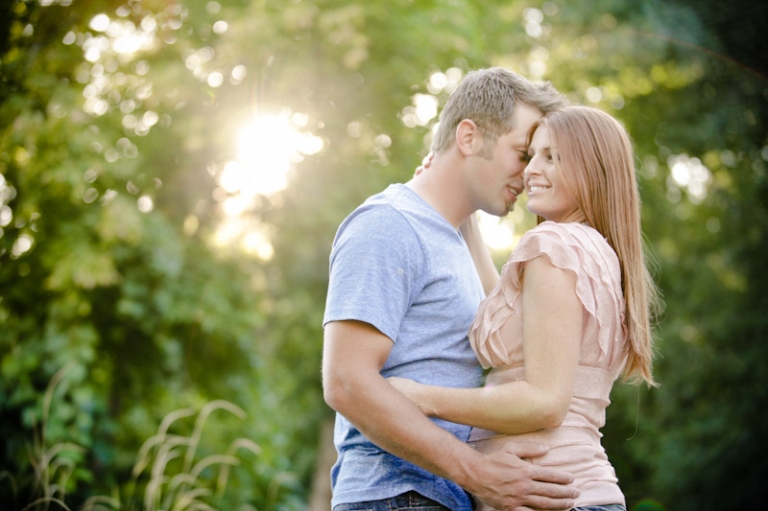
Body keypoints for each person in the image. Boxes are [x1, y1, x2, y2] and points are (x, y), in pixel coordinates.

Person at [322, 67, 579, 511]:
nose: (531, 172)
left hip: (440, 495)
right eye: (522, 153)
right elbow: (346, 382)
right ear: (468, 137)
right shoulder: (389, 223)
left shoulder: (450, 238)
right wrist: (478, 472)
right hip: (394, 496)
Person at [389, 105, 660, 511]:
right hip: (579, 493)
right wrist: (466, 215)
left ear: (592, 168)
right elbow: (506, 315)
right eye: (531, 155)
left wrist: (419, 397)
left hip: (553, 497)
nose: (531, 169)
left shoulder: (553, 246)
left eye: (552, 157)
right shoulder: (597, 253)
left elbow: (544, 403)